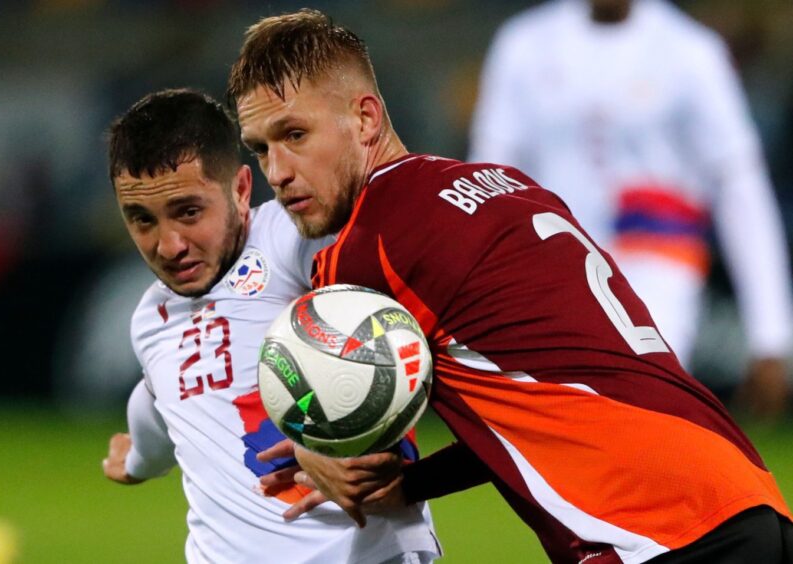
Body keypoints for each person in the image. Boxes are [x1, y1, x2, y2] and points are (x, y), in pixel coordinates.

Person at [229, 9, 793, 563]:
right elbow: (548, 397)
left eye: (295, 135)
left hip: (650, 531)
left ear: (366, 119)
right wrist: (413, 483)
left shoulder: (370, 245)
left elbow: (323, 405)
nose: (277, 171)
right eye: (260, 149)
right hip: (746, 498)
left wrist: (318, 449)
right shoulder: (510, 187)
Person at [100, 88, 440, 563]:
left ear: (241, 189)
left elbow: (395, 324)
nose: (168, 245)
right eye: (141, 220)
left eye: (188, 211)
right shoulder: (150, 321)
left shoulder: (292, 239)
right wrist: (137, 459)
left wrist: (344, 440)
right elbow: (160, 399)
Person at [468, 0, 793, 418]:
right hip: (551, 257)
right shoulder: (525, 45)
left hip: (657, 257)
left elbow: (739, 186)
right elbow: (490, 173)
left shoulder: (690, 51)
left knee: (646, 406)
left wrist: (770, 333)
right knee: (559, 416)